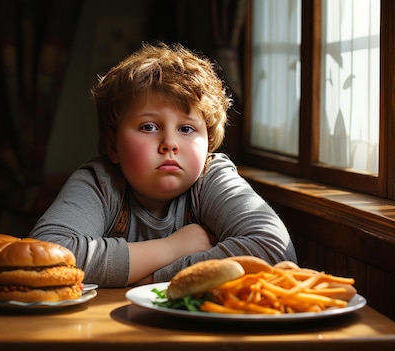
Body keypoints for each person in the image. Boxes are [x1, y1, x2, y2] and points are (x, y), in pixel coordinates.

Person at [29, 42, 297, 287]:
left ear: (208, 147)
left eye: (187, 129)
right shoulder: (100, 182)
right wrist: (173, 248)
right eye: (148, 126)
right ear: (113, 145)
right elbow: (46, 257)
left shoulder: (211, 177)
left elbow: (273, 249)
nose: (170, 143)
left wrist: (150, 278)